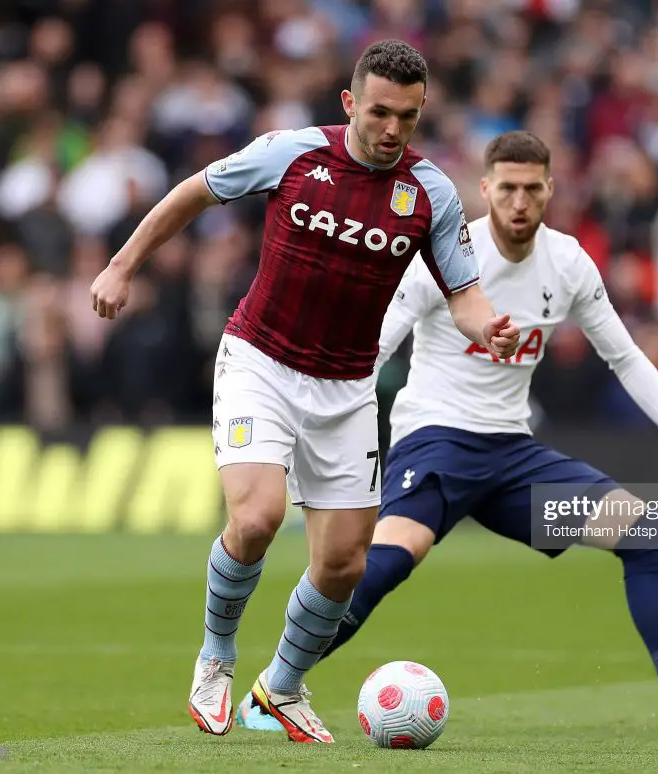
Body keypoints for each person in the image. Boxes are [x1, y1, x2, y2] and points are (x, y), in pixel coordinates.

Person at [238, 130, 658, 736]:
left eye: (532, 189)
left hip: (511, 459)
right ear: (486, 188)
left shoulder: (568, 263)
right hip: (434, 439)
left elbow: (623, 354)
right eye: (508, 189)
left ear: (550, 190)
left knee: (644, 528)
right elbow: (378, 342)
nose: (519, 202)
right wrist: (321, 422)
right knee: (384, 561)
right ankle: (273, 691)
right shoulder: (445, 252)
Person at [89, 40, 521, 743]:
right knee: (257, 518)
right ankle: (215, 658)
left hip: (348, 386)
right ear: (349, 103)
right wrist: (122, 265)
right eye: (379, 112)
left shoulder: (432, 193)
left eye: (407, 118)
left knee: (345, 562)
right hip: (260, 360)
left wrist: (490, 328)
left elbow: (464, 294)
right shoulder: (291, 154)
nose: (391, 130)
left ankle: (282, 689)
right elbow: (194, 191)